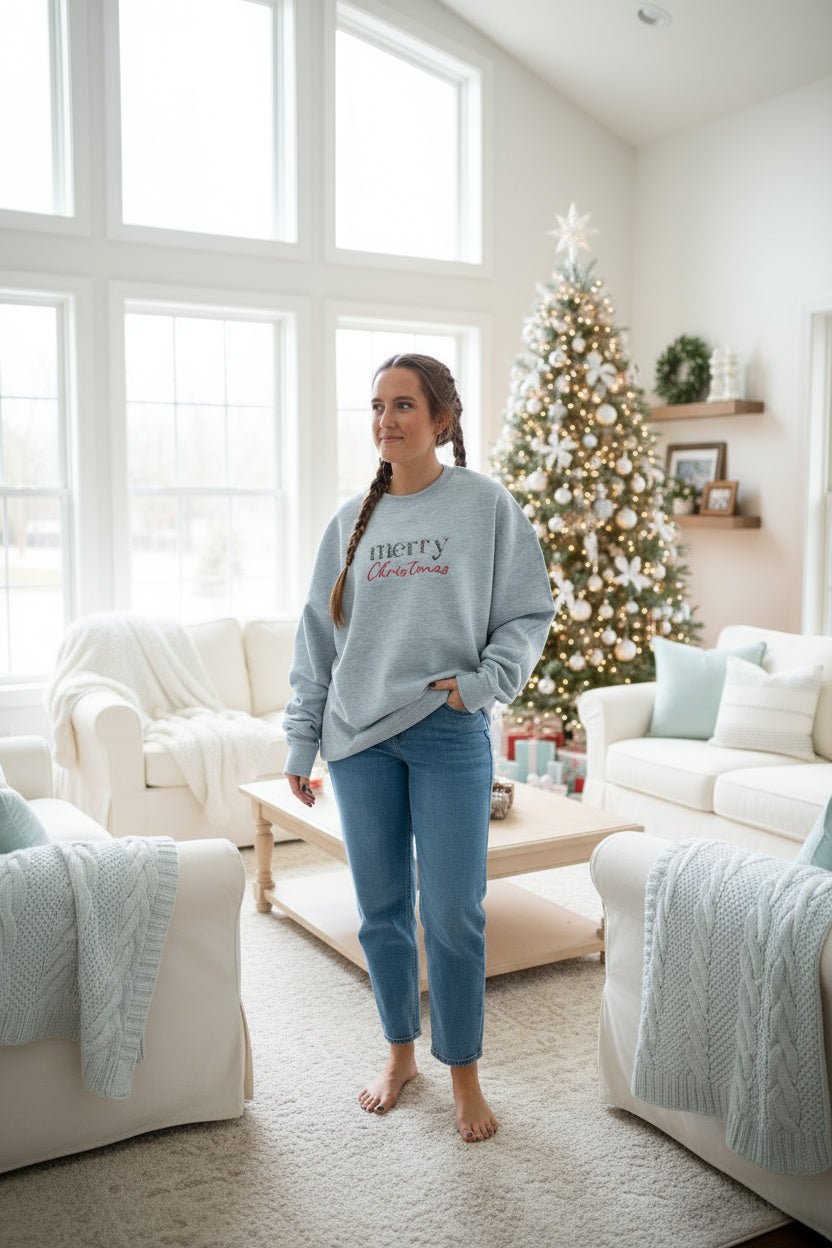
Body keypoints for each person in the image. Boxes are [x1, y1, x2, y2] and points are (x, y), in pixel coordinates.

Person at [283, 353, 554, 1142]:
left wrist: (482, 685)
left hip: (448, 732)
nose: (385, 420)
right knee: (382, 912)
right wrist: (302, 741)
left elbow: (528, 610)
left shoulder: (484, 506)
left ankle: (462, 1069)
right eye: (376, 405)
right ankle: (399, 1054)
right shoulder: (349, 521)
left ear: (442, 419)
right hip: (358, 739)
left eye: (404, 405)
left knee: (457, 914)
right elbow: (317, 643)